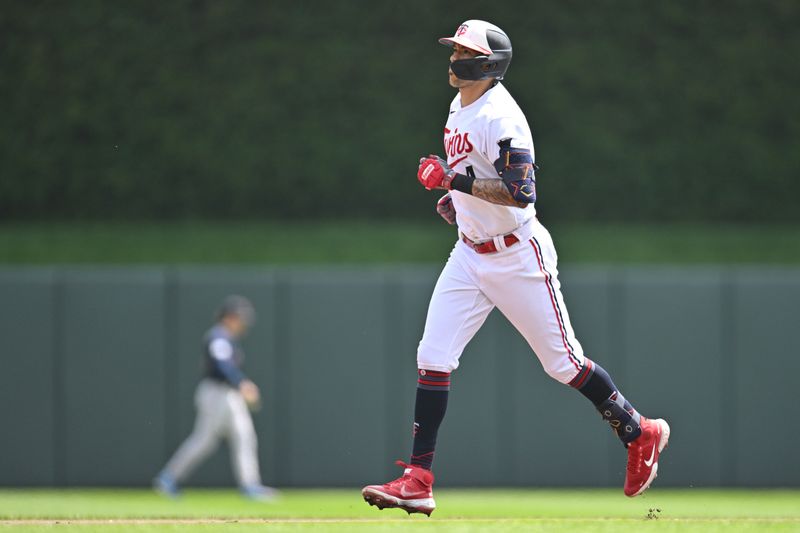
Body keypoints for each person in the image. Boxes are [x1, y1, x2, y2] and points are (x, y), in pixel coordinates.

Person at [362, 20, 670, 516]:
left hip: (516, 254)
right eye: (454, 49)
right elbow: (479, 182)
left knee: (562, 363)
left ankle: (639, 431)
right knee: (434, 354)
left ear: (487, 64)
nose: (452, 58)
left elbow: (521, 190)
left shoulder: (501, 116)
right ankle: (417, 479)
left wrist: (453, 181)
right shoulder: (460, 103)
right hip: (469, 252)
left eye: (462, 51)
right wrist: (457, 202)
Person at [154, 295, 277, 501]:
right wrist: (241, 383)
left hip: (229, 394)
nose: (243, 323)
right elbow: (222, 365)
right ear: (229, 317)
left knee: (244, 435)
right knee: (204, 441)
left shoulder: (227, 338)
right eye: (240, 317)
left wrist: (238, 386)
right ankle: (168, 477)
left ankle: (250, 485)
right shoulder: (218, 336)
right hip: (215, 393)